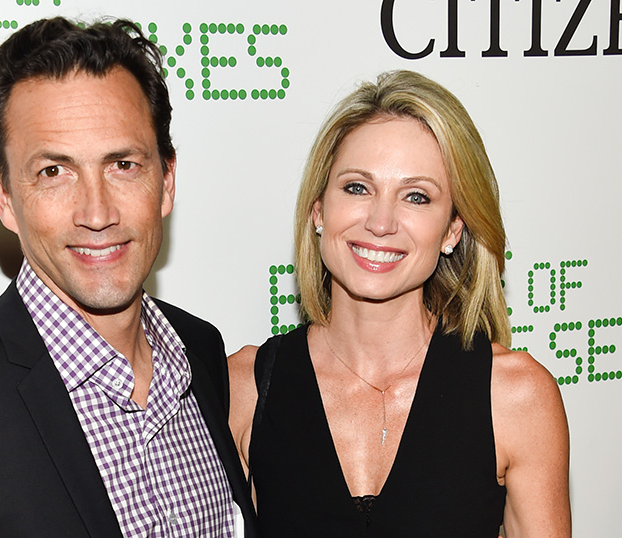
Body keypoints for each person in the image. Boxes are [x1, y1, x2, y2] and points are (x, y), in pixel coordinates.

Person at [0, 17, 257, 538]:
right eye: (53, 172)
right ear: (4, 196)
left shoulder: (200, 352)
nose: (97, 212)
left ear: (166, 180)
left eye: (123, 164)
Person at [229, 70, 570, 537]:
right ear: (318, 210)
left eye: (416, 196)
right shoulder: (244, 389)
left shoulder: (515, 398)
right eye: (357, 187)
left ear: (452, 231)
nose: (381, 222)